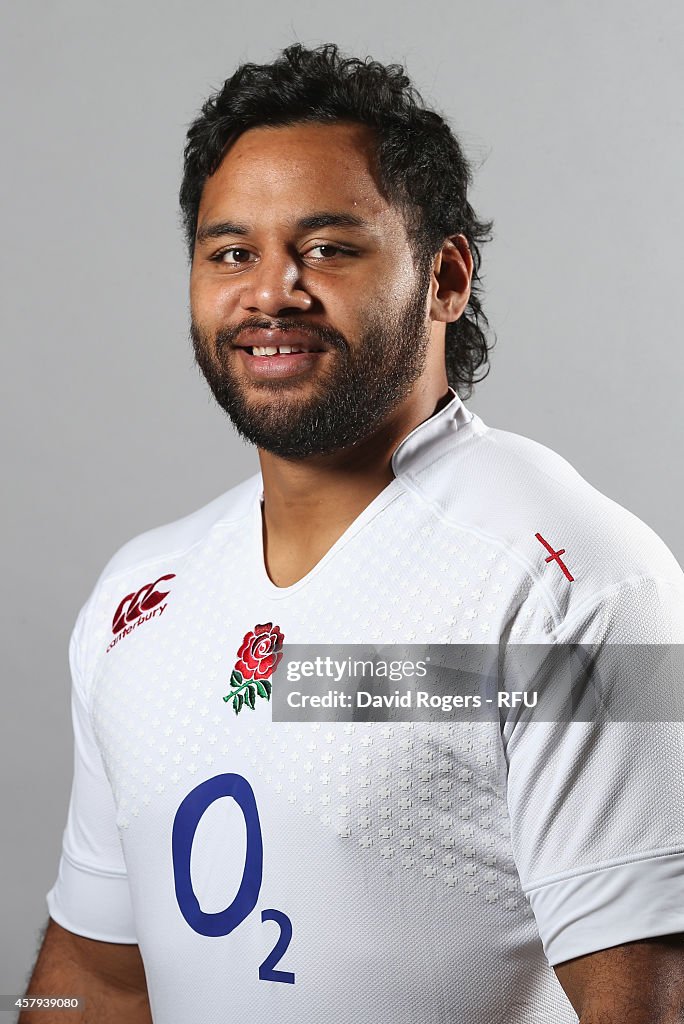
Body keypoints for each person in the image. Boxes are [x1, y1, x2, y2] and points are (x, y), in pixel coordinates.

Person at [23, 43, 684, 1024]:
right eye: (230, 251)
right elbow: (101, 979)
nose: (271, 291)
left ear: (446, 277)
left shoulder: (584, 582)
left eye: (329, 247)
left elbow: (647, 1003)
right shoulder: (138, 598)